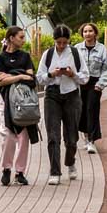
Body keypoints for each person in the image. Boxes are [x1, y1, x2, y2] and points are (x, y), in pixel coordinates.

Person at [37, 24, 90, 185]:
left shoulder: (75, 53)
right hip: (52, 95)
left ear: (68, 41)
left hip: (71, 95)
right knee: (53, 135)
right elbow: (39, 77)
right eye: (58, 42)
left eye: (64, 43)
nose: (61, 46)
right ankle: (55, 171)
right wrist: (51, 74)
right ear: (54, 41)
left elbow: (85, 77)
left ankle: (70, 161)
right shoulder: (48, 54)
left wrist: (72, 74)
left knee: (71, 136)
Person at [0, 26, 38, 187]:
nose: (23, 40)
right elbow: (0, 80)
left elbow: (31, 77)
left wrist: (10, 75)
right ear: (11, 38)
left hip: (24, 100)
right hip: (6, 100)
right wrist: (19, 75)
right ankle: (6, 168)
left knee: (24, 136)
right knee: (7, 135)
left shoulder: (25, 56)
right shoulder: (0, 58)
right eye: (20, 37)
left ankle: (20, 172)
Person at [76, 22, 107, 154]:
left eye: (90, 31)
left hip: (94, 84)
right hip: (80, 83)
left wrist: (101, 84)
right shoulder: (77, 48)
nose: (87, 34)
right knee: (81, 111)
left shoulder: (102, 49)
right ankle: (86, 138)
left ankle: (92, 140)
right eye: (85, 31)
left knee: (92, 110)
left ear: (95, 33)